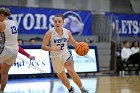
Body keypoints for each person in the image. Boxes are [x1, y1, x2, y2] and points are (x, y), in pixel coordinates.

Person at [42, 14, 89, 93]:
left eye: (59, 21)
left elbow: (73, 43)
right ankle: (70, 89)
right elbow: (43, 46)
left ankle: (82, 89)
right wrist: (53, 48)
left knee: (70, 70)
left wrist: (79, 46)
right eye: (55, 21)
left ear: (63, 22)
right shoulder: (49, 33)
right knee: (62, 77)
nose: (57, 23)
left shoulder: (67, 32)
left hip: (65, 53)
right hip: (55, 57)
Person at [0, 8, 18, 91]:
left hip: (6, 49)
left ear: (2, 15)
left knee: (3, 72)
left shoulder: (2, 23)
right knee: (4, 72)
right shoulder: (13, 22)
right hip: (15, 50)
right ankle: (2, 90)